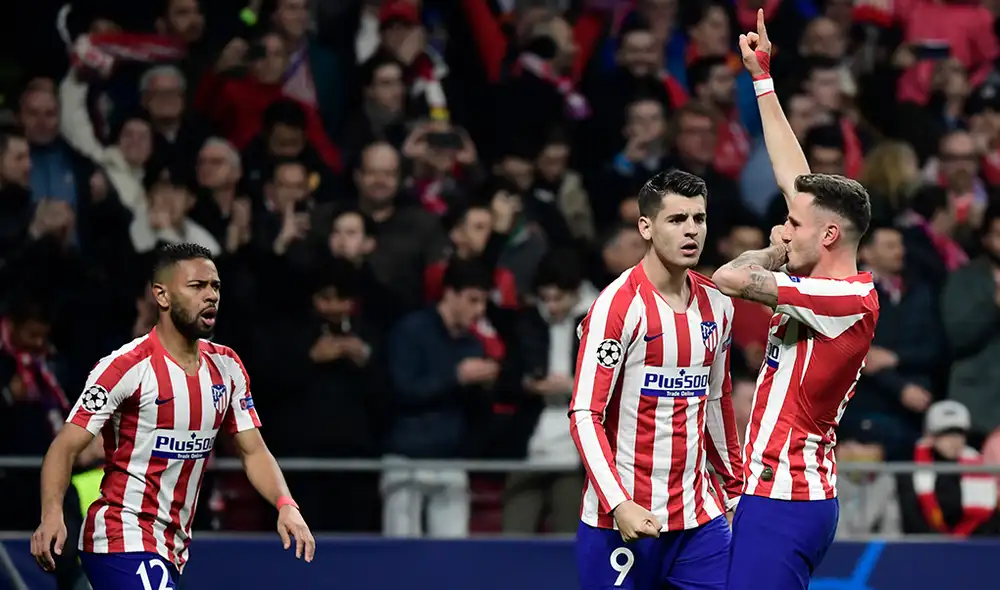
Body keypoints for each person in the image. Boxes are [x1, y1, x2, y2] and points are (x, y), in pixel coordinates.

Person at [30, 243, 315, 589]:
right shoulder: (125, 368)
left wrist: (286, 504)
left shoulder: (227, 368)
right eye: (197, 286)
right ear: (162, 296)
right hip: (120, 536)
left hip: (173, 546)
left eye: (215, 286)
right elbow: (63, 447)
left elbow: (253, 450)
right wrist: (51, 515)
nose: (210, 296)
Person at [712, 11, 880, 590]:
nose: (783, 227)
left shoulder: (844, 302)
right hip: (767, 492)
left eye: (791, 223)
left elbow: (731, 276)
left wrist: (773, 250)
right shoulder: (826, 284)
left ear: (827, 237)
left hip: (787, 499)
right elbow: (797, 180)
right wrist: (762, 79)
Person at [571, 169, 743, 590]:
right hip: (622, 519)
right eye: (676, 219)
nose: (691, 231)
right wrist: (619, 503)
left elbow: (717, 400)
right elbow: (584, 413)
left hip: (700, 519)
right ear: (645, 227)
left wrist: (736, 485)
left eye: (698, 219)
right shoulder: (617, 307)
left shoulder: (718, 305)